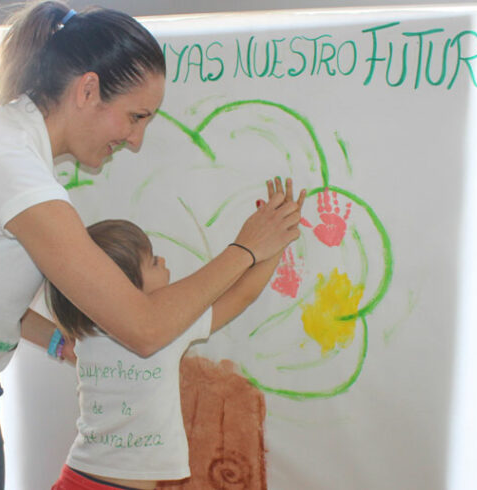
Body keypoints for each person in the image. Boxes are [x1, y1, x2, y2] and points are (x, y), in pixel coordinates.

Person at [0, 1, 304, 488]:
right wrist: (246, 249)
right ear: (87, 90)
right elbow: (144, 328)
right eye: (135, 116)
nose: (137, 139)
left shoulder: (14, 148)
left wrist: (62, 344)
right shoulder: (14, 173)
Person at [47, 181, 306, 490]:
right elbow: (243, 294)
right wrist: (276, 242)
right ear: (125, 286)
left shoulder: (87, 327)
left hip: (77, 477)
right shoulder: (167, 326)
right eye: (154, 262)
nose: (164, 262)